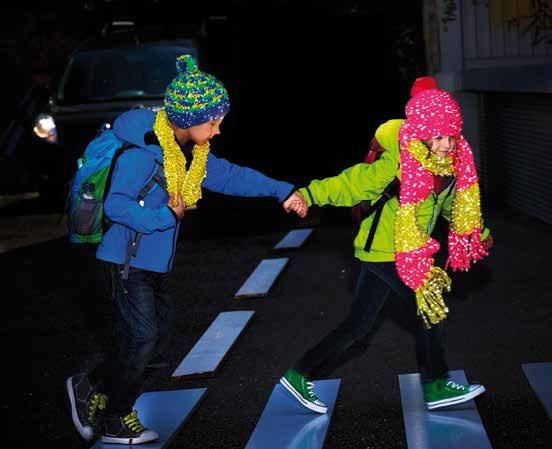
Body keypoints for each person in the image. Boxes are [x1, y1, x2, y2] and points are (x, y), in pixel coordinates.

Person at [66, 54, 307, 445]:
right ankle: (115, 415)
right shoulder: (143, 153)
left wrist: (282, 190)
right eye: (213, 123)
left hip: (151, 263)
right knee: (144, 338)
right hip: (123, 261)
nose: (218, 131)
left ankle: (90, 385)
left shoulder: (185, 155)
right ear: (188, 118)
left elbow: (230, 176)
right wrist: (165, 216)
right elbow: (115, 205)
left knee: (155, 339)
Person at [279, 78, 493, 414]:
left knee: (359, 325)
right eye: (438, 136)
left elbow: (454, 208)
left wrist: (478, 234)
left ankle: (298, 373)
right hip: (385, 251)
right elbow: (351, 184)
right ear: (422, 134)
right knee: (429, 304)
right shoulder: (398, 161)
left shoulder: (452, 166)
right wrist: (307, 194)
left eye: (451, 135)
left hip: (404, 251)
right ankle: (435, 385)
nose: (446, 144)